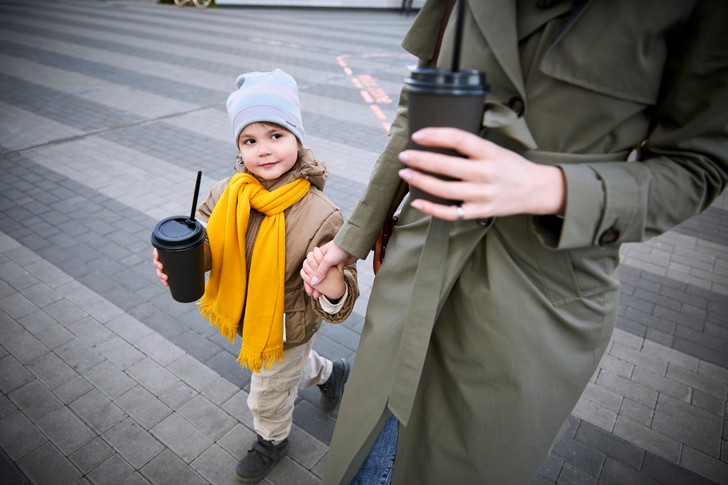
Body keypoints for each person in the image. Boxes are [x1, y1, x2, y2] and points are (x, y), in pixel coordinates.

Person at [301, 0, 728, 483]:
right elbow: (418, 102)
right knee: (364, 461)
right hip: (418, 261)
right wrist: (352, 238)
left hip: (536, 298)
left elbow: (698, 167)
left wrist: (550, 187)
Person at [153, 69, 358, 484]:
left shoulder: (322, 213)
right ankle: (332, 374)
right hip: (253, 316)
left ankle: (272, 438)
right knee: (288, 371)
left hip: (287, 324)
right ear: (239, 147)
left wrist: (333, 285)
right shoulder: (227, 193)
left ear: (297, 139)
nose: (263, 150)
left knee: (266, 393)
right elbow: (209, 240)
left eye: (276, 135)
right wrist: (191, 259)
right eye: (250, 140)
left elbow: (345, 290)